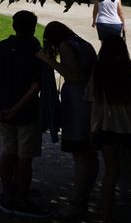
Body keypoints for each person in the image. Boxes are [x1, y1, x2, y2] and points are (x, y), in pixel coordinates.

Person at [0, 10, 49, 218]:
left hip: (3, 111)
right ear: (32, 27)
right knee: (25, 158)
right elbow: (35, 87)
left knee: (8, 152)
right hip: (26, 113)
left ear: (13, 26)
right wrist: (16, 109)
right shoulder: (36, 51)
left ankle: (7, 193)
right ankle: (21, 198)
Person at [35, 21, 98, 219]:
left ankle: (76, 203)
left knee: (79, 154)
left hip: (77, 103)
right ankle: (85, 197)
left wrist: (48, 60)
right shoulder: (83, 43)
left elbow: (73, 76)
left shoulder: (66, 46)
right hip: (89, 101)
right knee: (89, 153)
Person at [88, 36, 131, 222]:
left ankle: (107, 214)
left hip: (109, 126)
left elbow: (95, 104)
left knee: (110, 172)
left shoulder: (98, 73)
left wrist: (93, 128)